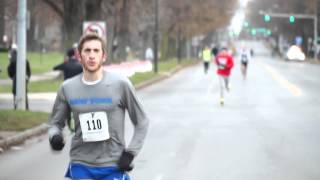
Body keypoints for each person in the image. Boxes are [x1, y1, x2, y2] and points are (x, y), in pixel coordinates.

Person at [48, 33, 149, 180]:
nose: (91, 55)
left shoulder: (121, 84)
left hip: (113, 165)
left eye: (96, 51)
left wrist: (130, 153)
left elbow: (142, 121)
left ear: (104, 56)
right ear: (79, 56)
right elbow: (55, 123)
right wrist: (55, 136)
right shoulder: (67, 88)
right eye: (87, 51)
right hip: (80, 163)